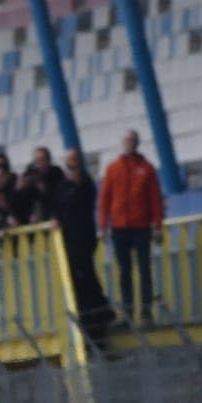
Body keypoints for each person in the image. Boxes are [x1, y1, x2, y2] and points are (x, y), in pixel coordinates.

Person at [100, 130, 164, 326]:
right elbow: (105, 199)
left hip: (141, 226)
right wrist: (104, 224)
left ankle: (146, 312)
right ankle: (127, 312)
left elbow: (155, 199)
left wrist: (157, 225)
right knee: (125, 272)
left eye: (132, 140)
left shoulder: (146, 168)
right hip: (120, 227)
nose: (129, 143)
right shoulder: (113, 168)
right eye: (127, 140)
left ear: (137, 143)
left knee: (144, 270)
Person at [53, 146, 110, 339]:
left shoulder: (85, 184)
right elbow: (58, 209)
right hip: (69, 242)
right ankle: (88, 320)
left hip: (83, 240)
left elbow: (84, 203)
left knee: (87, 279)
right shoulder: (61, 186)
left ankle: (98, 317)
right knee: (78, 282)